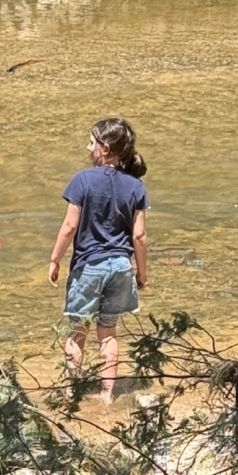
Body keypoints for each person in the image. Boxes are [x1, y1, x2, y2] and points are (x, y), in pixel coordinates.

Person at [48, 117, 148, 405]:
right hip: (120, 267)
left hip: (89, 267)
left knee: (77, 333)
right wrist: (141, 273)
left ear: (104, 148)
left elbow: (69, 226)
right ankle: (107, 396)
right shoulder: (135, 186)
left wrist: (55, 259)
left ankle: (70, 395)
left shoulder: (82, 180)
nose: (87, 147)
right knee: (108, 333)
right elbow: (139, 236)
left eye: (91, 142)